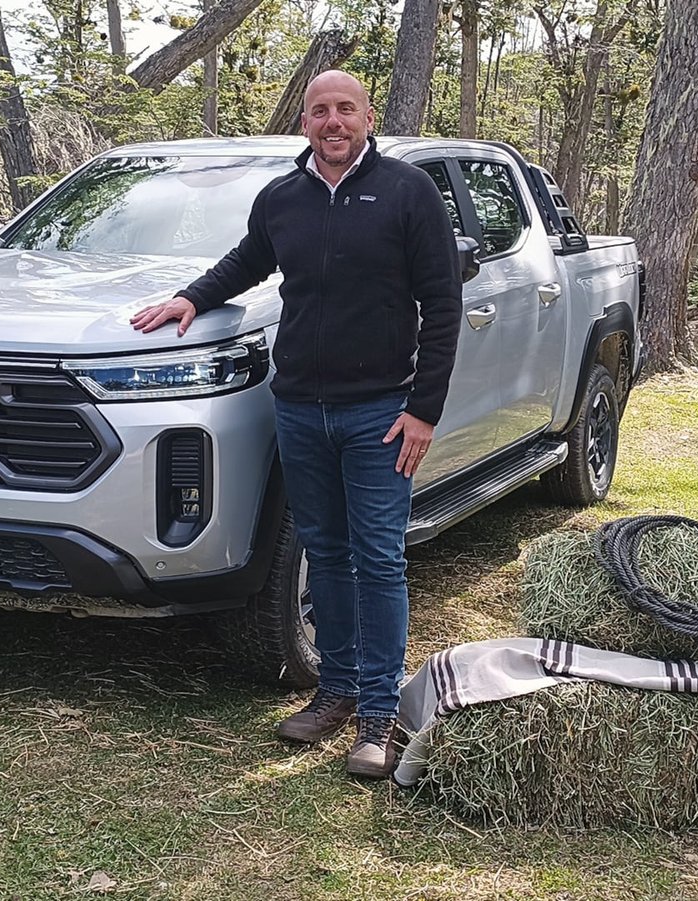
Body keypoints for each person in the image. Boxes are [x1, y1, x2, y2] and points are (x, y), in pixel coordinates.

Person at [130, 70, 461, 779]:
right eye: (319, 111)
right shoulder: (283, 197)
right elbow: (248, 260)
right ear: (304, 123)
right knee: (325, 551)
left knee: (378, 558)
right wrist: (190, 298)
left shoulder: (408, 192)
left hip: (381, 413)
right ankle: (337, 690)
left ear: (367, 117)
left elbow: (443, 305)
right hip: (300, 409)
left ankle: (379, 716)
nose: (332, 121)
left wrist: (423, 410)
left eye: (345, 109)